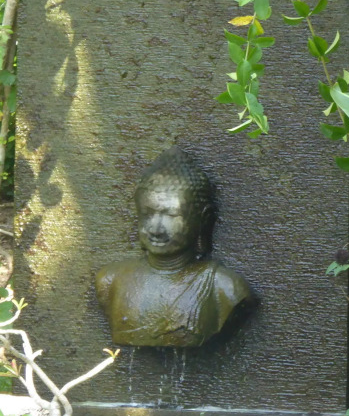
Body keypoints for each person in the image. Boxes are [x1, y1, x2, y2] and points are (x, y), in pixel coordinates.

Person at [95, 147, 253, 347]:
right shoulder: (110, 280)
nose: (156, 229)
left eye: (170, 215)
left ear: (203, 219)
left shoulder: (225, 288)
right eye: (147, 214)